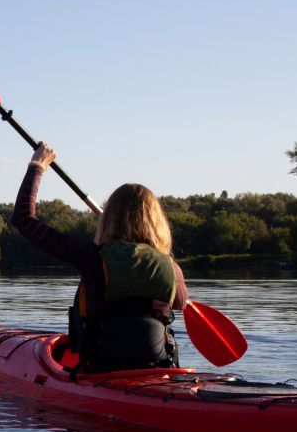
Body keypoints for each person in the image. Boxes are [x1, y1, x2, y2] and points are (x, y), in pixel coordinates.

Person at [11, 142, 187, 372]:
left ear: (109, 219)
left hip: (101, 371)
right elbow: (181, 303)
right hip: (159, 370)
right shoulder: (171, 269)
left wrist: (37, 166)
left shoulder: (91, 257)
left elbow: (23, 219)